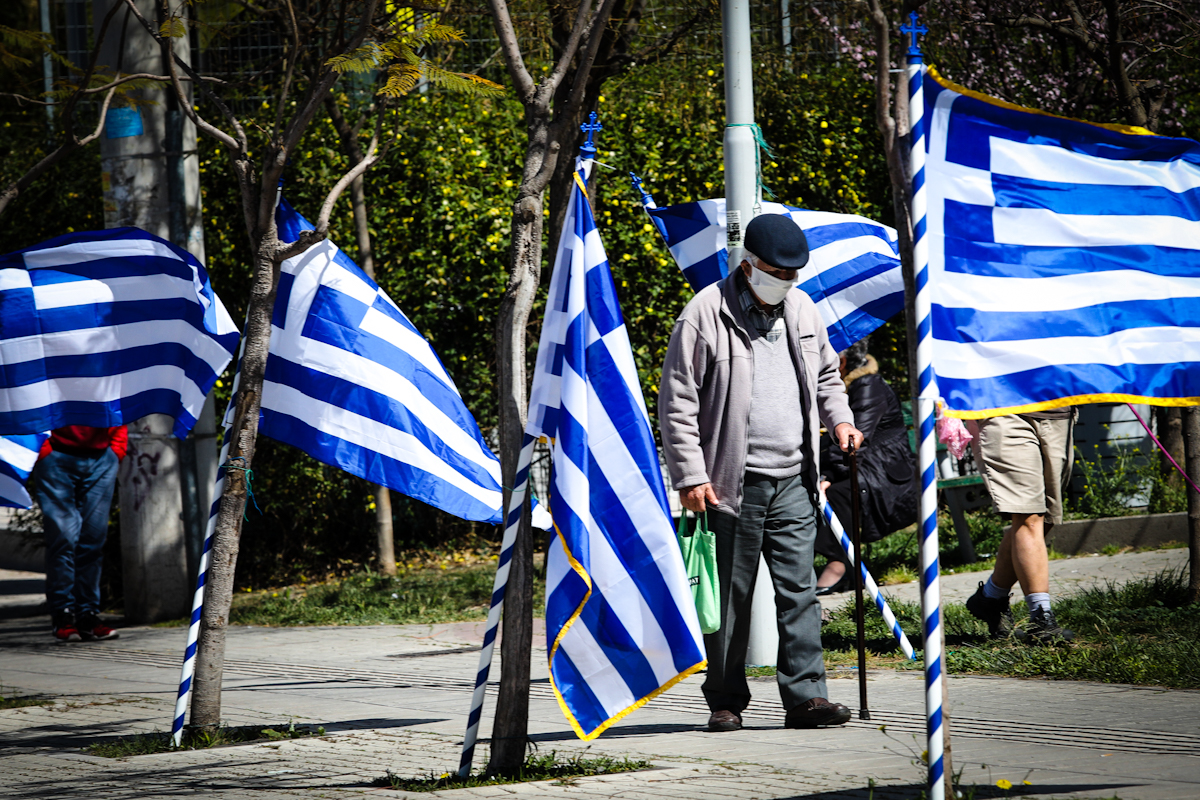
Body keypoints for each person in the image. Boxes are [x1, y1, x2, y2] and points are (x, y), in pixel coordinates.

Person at [660, 213, 863, 733]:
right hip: (731, 484)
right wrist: (689, 475)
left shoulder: (802, 309)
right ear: (749, 266)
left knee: (800, 591)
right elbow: (678, 402)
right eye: (777, 272)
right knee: (731, 598)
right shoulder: (705, 312)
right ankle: (725, 700)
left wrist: (839, 419)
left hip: (795, 477)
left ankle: (806, 699)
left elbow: (825, 375)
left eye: (794, 274)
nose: (787, 282)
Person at [814, 339, 918, 594]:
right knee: (824, 490)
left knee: (838, 494)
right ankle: (843, 564)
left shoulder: (867, 385)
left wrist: (828, 474)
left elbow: (854, 440)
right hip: (864, 468)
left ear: (842, 361)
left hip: (886, 474)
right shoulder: (849, 386)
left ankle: (840, 563)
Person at [965, 409, 1076, 644]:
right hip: (1001, 408)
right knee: (1028, 515)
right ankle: (1041, 619)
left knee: (1044, 517)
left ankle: (990, 599)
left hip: (1057, 408)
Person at [33, 425, 127, 642]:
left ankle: (87, 616)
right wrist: (43, 449)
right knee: (63, 539)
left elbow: (116, 399)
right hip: (56, 455)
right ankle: (62, 616)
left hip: (101, 457)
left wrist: (116, 449)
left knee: (93, 541)